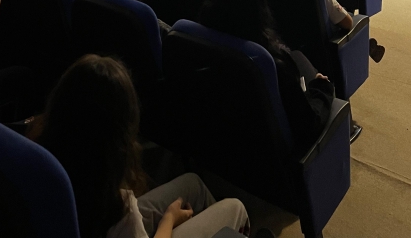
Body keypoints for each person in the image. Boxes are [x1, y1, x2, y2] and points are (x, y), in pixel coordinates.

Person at [34, 54, 250, 238]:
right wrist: (169, 219)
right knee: (235, 207)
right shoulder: (121, 210)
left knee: (194, 185)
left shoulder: (39, 165)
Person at [200, 0, 334, 154]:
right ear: (259, 5)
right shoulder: (272, 64)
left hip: (223, 137)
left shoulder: (200, 41)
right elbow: (308, 125)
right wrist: (321, 88)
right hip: (272, 152)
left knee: (297, 56)